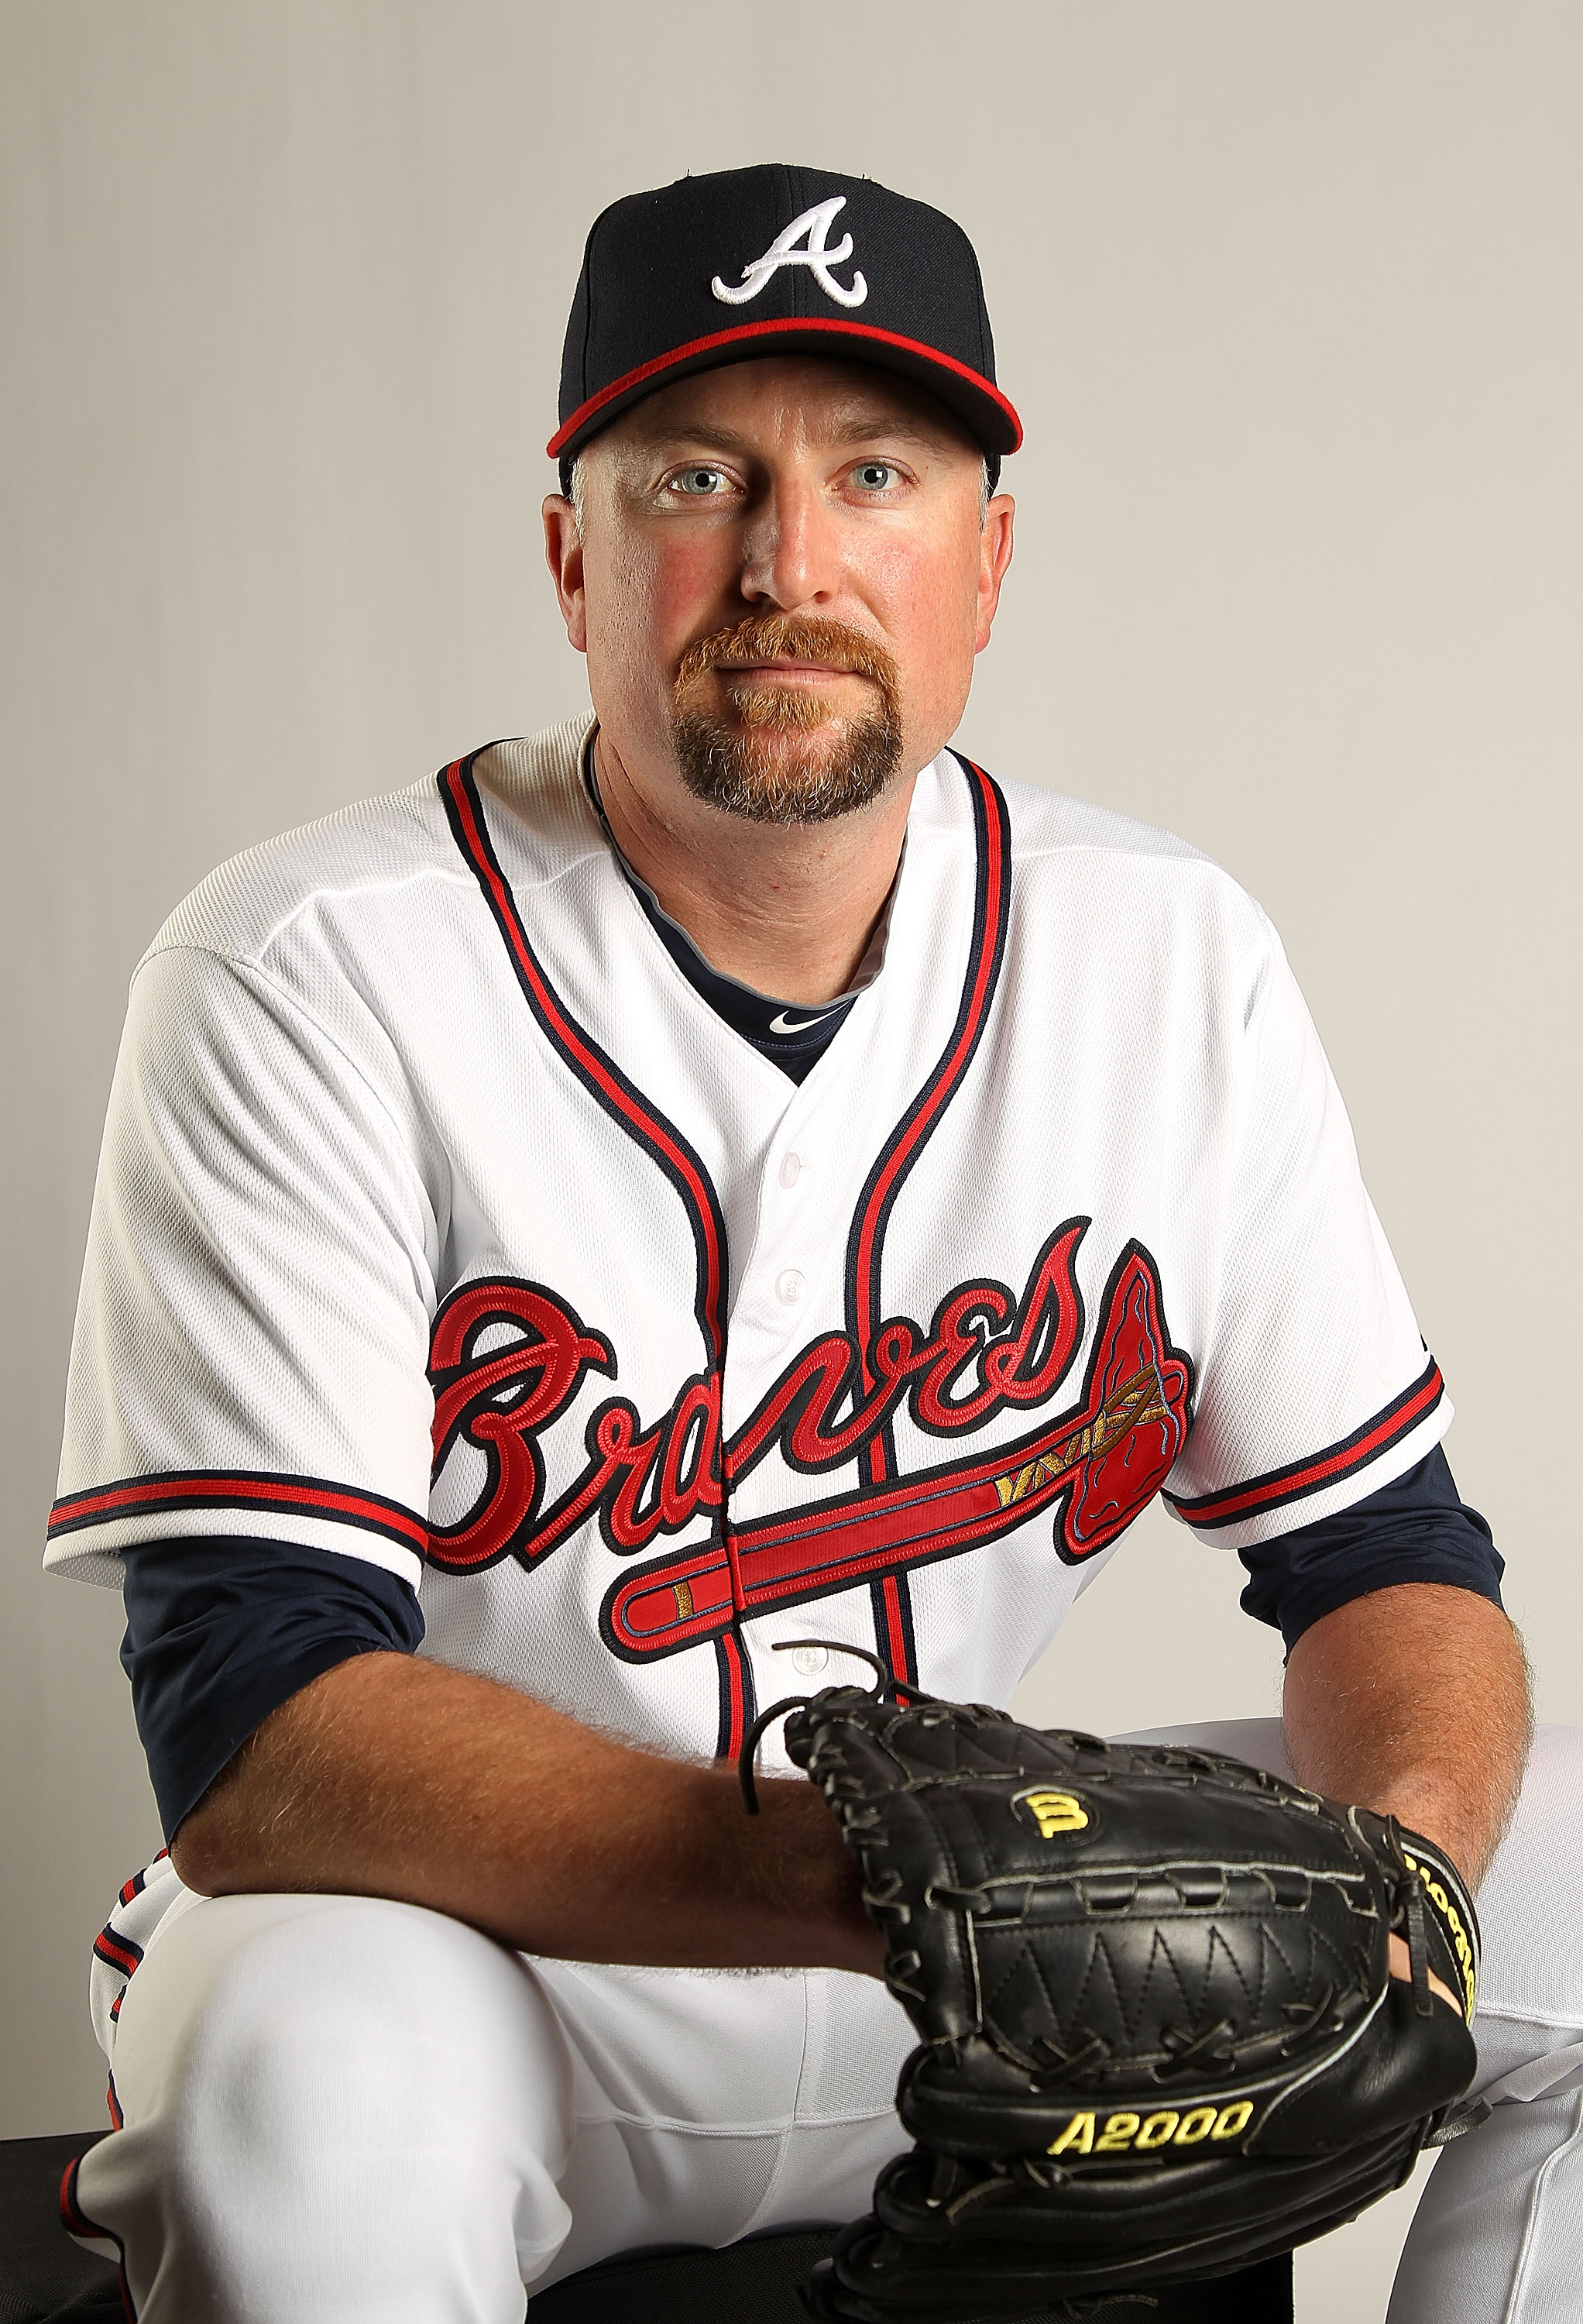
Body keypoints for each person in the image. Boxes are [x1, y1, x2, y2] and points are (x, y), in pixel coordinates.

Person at [45, 164, 1578, 2322]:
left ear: (986, 558)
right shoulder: (308, 966)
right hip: (484, 1972)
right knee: (304, 2085)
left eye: (874, 473)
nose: (788, 563)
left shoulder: (1164, 953)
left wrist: (1398, 1889)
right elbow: (260, 1726)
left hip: (960, 1984)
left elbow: (1386, 1560)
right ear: (572, 554)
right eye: (699, 477)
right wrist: (904, 1878)